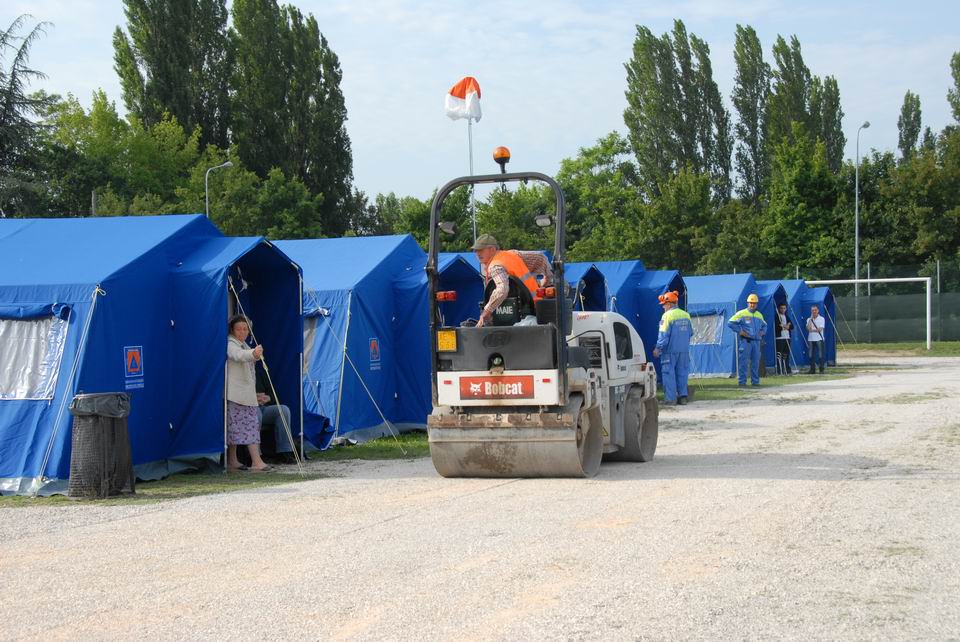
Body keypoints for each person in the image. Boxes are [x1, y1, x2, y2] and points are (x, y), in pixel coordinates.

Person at [472, 234, 553, 328]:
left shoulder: (495, 266)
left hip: (523, 313)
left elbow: (502, 289)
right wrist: (548, 281)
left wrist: (487, 311)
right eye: (476, 250)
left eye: (481, 250)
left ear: (492, 249)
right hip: (538, 307)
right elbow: (540, 258)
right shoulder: (513, 254)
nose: (478, 253)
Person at [226, 314, 271, 472]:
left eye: (245, 329)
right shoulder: (230, 344)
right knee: (250, 427)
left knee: (235, 428)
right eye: (239, 329)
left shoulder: (243, 344)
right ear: (232, 330)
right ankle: (256, 462)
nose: (243, 332)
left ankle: (232, 460)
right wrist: (253, 353)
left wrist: (254, 354)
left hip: (242, 395)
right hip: (237, 395)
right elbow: (238, 355)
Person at [652, 291, 692, 405]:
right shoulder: (686, 315)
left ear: (669, 304)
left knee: (668, 374)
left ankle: (670, 399)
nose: (663, 307)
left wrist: (658, 348)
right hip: (684, 351)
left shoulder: (667, 316)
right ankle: (683, 398)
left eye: (664, 305)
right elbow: (691, 333)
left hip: (669, 351)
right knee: (682, 373)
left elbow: (663, 335)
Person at [255, 365, 298, 464]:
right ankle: (257, 455)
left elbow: (273, 394)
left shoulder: (260, 373)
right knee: (256, 413)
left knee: (283, 410)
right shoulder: (240, 375)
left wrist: (267, 398)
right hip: (247, 409)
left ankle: (284, 451)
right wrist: (254, 398)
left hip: (263, 407)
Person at [727, 293, 767, 387]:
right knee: (744, 362)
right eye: (750, 303)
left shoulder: (759, 315)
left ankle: (755, 382)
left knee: (755, 363)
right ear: (747, 303)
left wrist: (763, 331)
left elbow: (765, 325)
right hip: (745, 342)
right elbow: (730, 323)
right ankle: (742, 382)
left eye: (754, 303)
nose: (752, 305)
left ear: (757, 304)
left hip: (756, 342)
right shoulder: (742, 313)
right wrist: (740, 331)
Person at [806, 304, 826, 374]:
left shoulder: (822, 319)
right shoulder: (808, 319)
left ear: (818, 310)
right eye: (812, 310)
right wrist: (810, 320)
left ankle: (821, 369)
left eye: (815, 310)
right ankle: (812, 369)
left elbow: (820, 329)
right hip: (811, 339)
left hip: (819, 339)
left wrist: (812, 330)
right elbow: (808, 328)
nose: (814, 311)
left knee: (820, 355)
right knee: (811, 355)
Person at [774, 303, 793, 375]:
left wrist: (787, 326)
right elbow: (777, 326)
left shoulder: (786, 316)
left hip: (787, 337)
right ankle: (780, 370)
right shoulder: (777, 316)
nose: (783, 310)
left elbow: (792, 326)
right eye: (781, 308)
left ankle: (787, 370)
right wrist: (784, 326)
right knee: (779, 355)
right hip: (779, 338)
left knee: (786, 354)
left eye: (784, 308)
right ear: (779, 309)